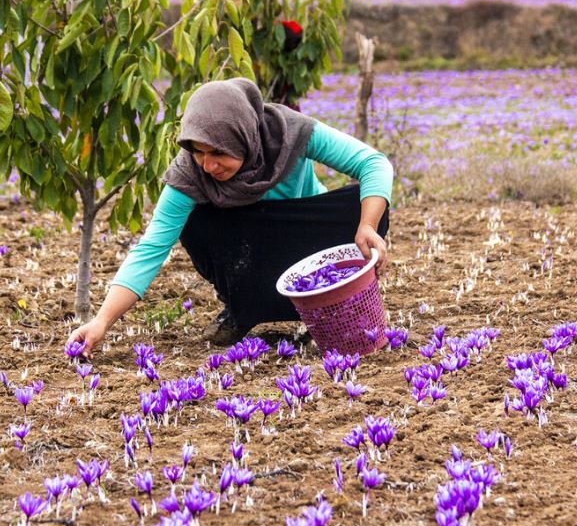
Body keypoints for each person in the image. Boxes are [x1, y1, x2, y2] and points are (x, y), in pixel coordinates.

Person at [67, 78, 392, 357]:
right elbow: (151, 249)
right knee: (196, 223)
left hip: (302, 237)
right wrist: (101, 321)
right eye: (198, 151)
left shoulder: (291, 132)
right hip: (252, 251)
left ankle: (333, 308)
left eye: (219, 152)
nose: (208, 166)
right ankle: (243, 310)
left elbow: (374, 164)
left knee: (362, 204)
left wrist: (366, 226)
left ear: (245, 137)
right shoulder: (188, 174)